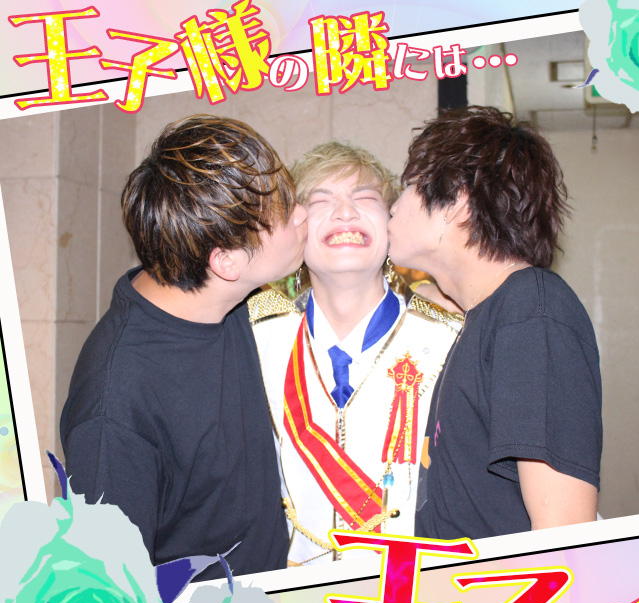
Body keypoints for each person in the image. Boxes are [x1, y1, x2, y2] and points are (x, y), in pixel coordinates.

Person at [60, 115, 308, 578]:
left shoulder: (229, 301)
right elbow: (112, 589)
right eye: (286, 214)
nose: (303, 216)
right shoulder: (114, 408)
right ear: (226, 261)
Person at [387, 106, 602, 541]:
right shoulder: (489, 315)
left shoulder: (532, 311)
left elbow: (563, 535)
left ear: (456, 201)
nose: (393, 206)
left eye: (408, 186)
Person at [249, 142, 461, 566]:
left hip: (409, 592)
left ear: (391, 222)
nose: (345, 212)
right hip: (288, 593)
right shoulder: (253, 338)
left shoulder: (450, 339)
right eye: (319, 201)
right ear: (295, 227)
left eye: (364, 198)